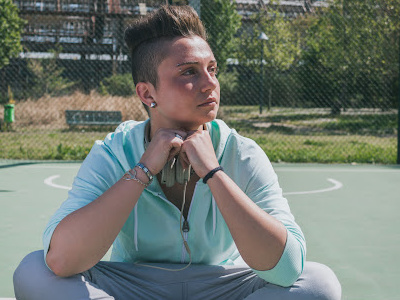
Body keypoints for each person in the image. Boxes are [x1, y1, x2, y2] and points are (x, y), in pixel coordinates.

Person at [13, 5, 341, 300]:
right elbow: (61, 260)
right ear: (147, 93)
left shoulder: (241, 153)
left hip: (224, 285)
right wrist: (142, 169)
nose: (210, 83)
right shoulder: (114, 152)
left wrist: (214, 173)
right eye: (189, 72)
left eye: (212, 69)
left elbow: (287, 269)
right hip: (133, 286)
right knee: (34, 270)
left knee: (318, 283)